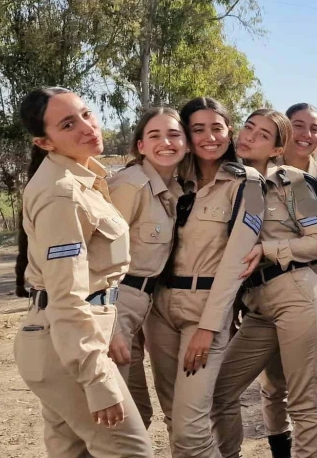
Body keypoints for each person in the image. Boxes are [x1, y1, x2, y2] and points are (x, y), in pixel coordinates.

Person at [14, 87, 154, 457]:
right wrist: (95, 378)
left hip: (60, 342)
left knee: (73, 452)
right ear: (45, 142)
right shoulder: (63, 194)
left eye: (86, 114)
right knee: (132, 452)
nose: (87, 127)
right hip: (66, 350)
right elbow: (68, 296)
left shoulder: (83, 179)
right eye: (68, 124)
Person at [144, 97, 266, 458]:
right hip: (159, 307)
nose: (209, 137)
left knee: (191, 427)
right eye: (198, 129)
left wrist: (210, 326)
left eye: (217, 127)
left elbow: (235, 263)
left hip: (205, 309)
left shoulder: (251, 185)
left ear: (230, 131)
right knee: (172, 416)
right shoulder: (171, 179)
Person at [212, 109, 317, 458]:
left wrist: (268, 248)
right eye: (249, 127)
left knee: (304, 403)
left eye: (263, 135)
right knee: (220, 392)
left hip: (297, 295)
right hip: (257, 306)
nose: (250, 136)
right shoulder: (227, 181)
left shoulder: (293, 183)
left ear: (277, 150)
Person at [254, 103, 317, 458]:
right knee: (273, 385)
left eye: (314, 129)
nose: (306, 135)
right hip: (266, 295)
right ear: (284, 133)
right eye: (298, 126)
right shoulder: (255, 178)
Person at [107, 107, 187, 430]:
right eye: (154, 135)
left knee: (137, 412)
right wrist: (110, 327)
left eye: (173, 135)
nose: (165, 142)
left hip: (145, 306)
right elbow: (91, 260)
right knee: (118, 420)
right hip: (117, 306)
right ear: (140, 146)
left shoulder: (176, 191)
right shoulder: (130, 185)